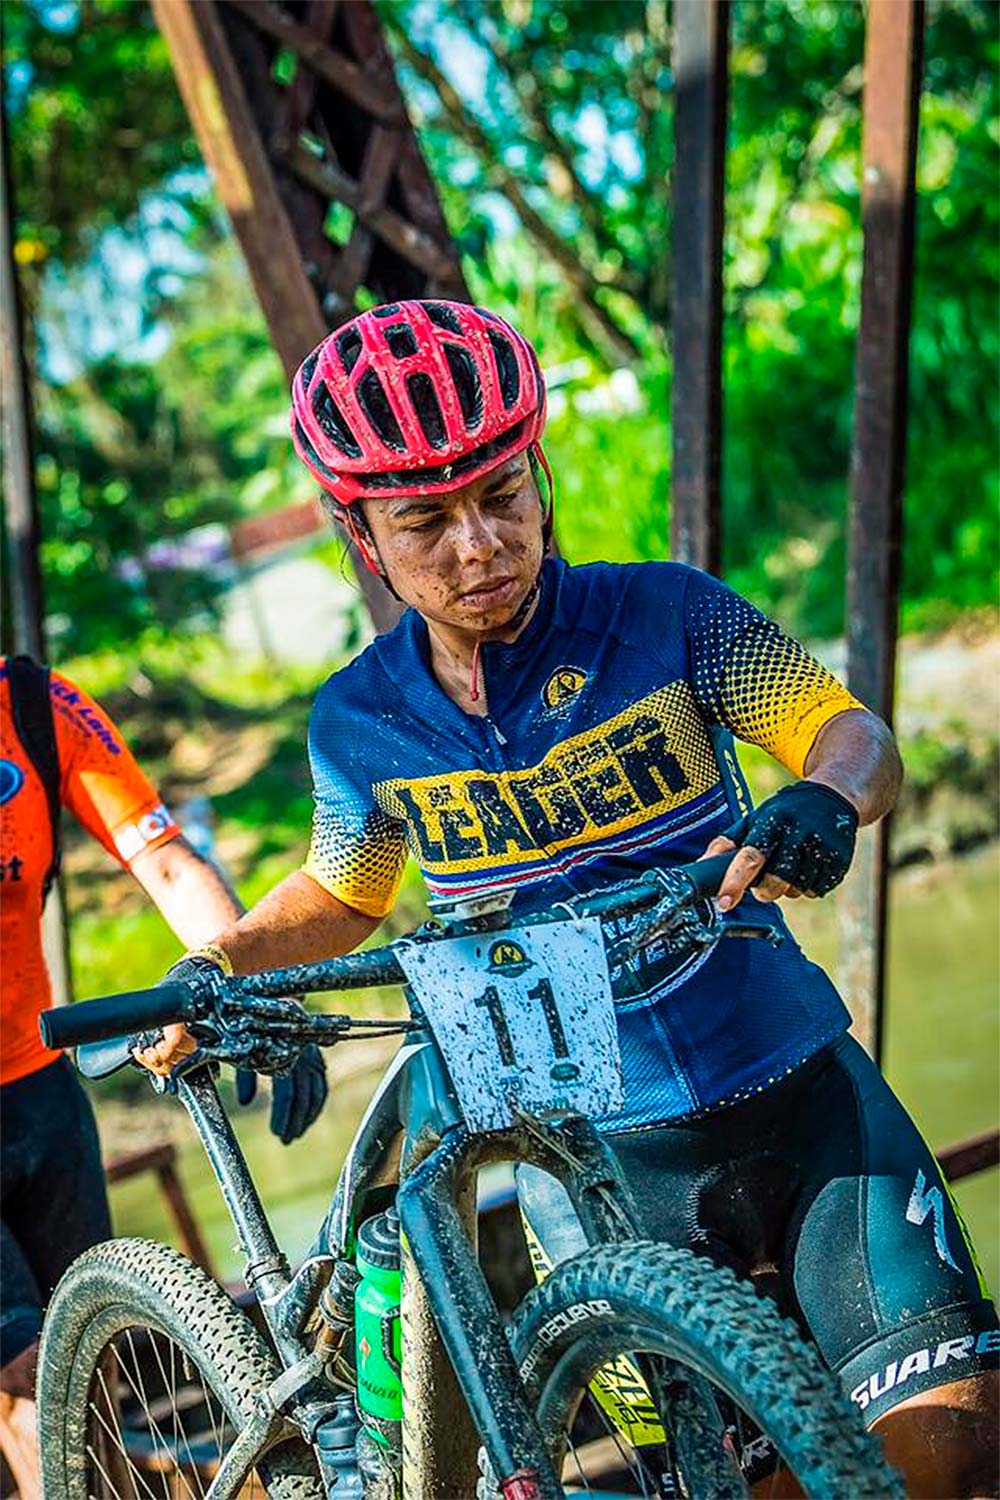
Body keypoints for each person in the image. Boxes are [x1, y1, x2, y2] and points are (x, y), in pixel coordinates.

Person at [144, 300, 998, 1497]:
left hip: (802, 1102)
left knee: (956, 1449)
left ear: (540, 477)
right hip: (589, 1172)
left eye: (501, 495)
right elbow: (344, 893)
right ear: (361, 537)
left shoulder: (668, 614)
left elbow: (846, 733)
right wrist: (216, 970)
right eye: (425, 522)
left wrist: (830, 798)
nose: (476, 546)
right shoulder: (360, 723)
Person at [0, 656, 327, 1496]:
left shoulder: (34, 706)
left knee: (91, 1368)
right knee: (31, 1382)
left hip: (39, 1093)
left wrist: (250, 990)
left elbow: (169, 864)